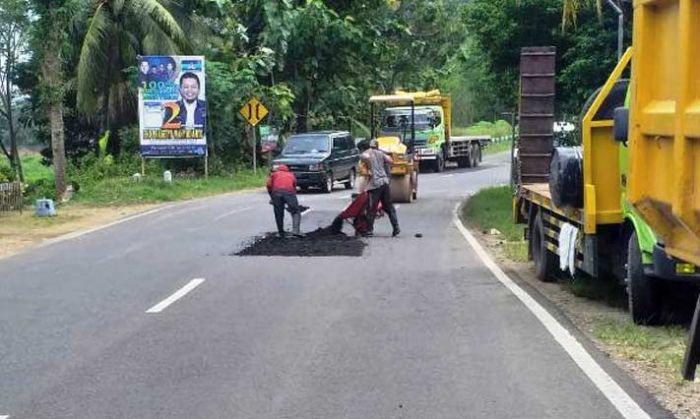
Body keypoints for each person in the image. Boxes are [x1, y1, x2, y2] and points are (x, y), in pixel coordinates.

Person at [361, 139, 400, 237]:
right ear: (377, 146)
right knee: (389, 207)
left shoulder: (367, 153)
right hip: (384, 183)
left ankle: (369, 231)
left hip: (375, 184)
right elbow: (391, 161)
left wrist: (370, 167)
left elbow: (364, 157)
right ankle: (396, 228)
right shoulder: (382, 154)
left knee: (371, 208)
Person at [267, 164, 304, 238]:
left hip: (276, 193)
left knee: (278, 213)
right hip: (289, 193)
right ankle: (296, 231)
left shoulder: (274, 174)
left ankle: (281, 232)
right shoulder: (291, 175)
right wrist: (292, 200)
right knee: (296, 211)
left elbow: (269, 185)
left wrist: (272, 197)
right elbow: (294, 187)